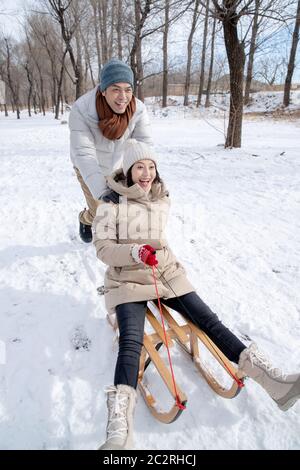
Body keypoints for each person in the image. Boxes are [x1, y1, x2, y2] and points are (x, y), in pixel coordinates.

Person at [92, 139, 300, 450]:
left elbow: (160, 240)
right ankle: (120, 428)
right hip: (128, 280)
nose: (146, 173)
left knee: (208, 319)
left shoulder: (162, 197)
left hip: (165, 273)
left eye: (151, 167)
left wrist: (162, 259)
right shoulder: (111, 203)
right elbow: (104, 249)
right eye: (139, 167)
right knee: (131, 340)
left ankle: (272, 382)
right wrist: (134, 251)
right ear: (128, 170)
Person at [69, 59, 152, 243]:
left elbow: (144, 146)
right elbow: (84, 154)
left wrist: (148, 176)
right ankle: (85, 218)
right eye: (116, 89)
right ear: (103, 90)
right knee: (99, 209)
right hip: (88, 165)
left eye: (128, 89)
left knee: (123, 207)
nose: (123, 96)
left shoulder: (138, 109)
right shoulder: (82, 110)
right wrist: (102, 191)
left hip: (118, 166)